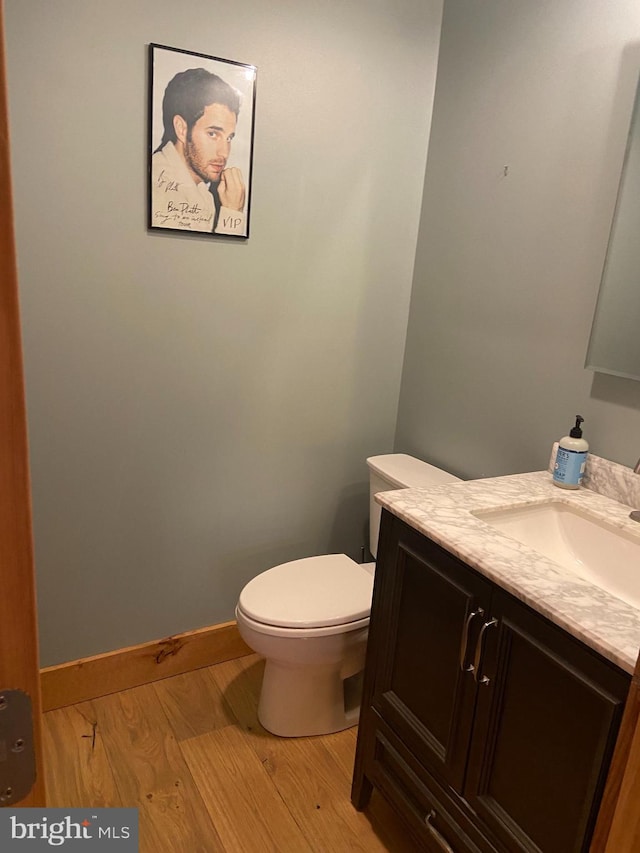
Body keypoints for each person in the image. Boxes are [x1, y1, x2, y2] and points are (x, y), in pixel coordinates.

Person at [151, 68, 247, 235]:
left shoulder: (200, 189)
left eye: (229, 138)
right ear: (181, 129)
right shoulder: (159, 187)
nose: (224, 153)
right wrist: (232, 211)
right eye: (212, 134)